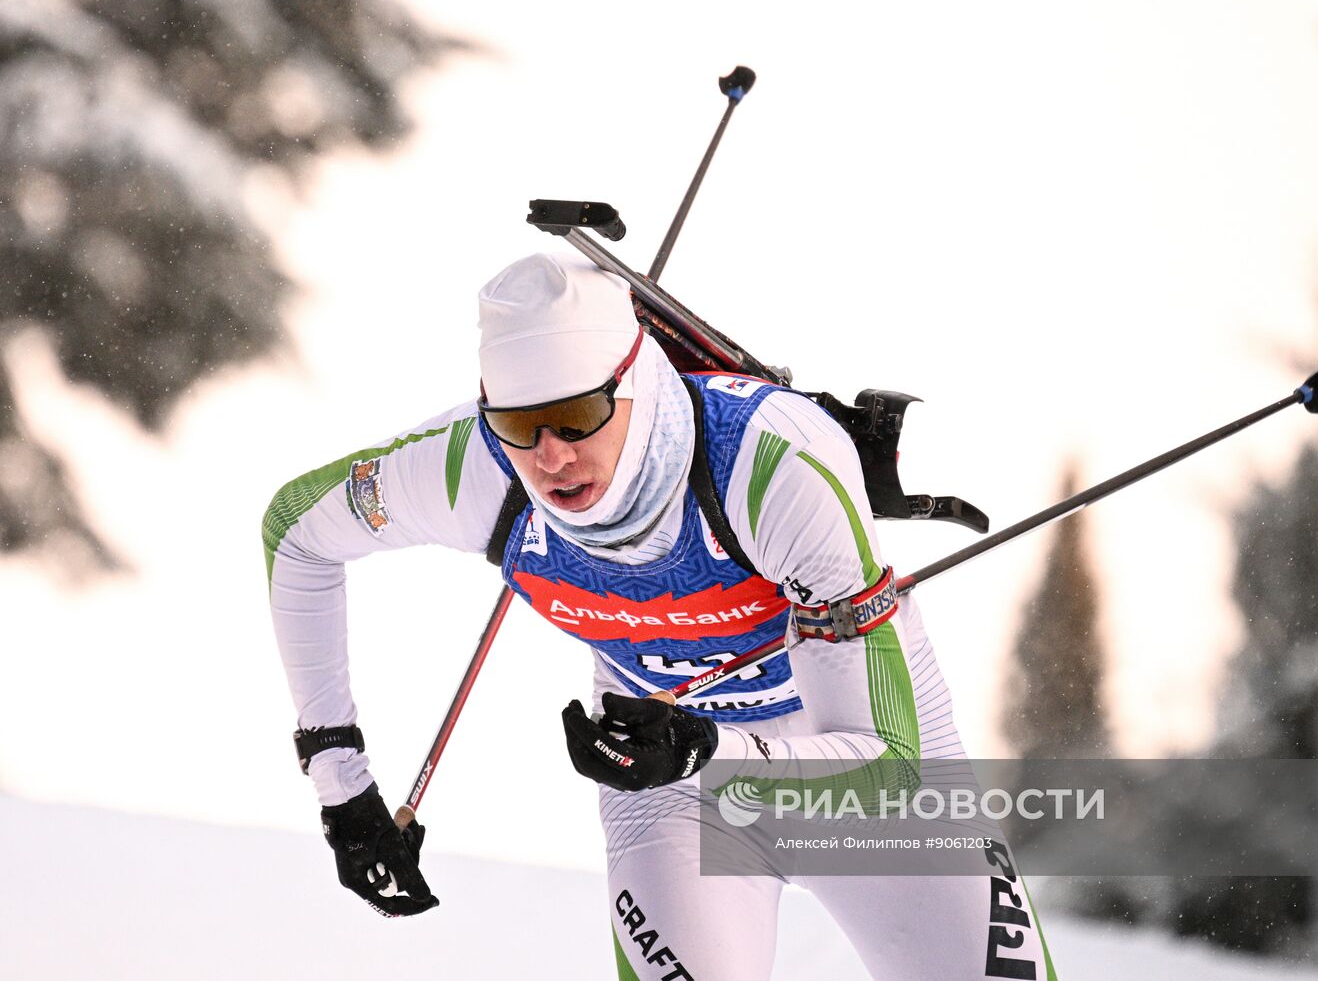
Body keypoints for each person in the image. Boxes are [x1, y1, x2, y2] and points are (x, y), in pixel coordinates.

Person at [264, 253, 1057, 980]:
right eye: (518, 425)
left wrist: (705, 749)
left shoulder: (772, 466)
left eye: (578, 414)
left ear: (636, 386)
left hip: (847, 765)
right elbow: (296, 532)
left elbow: (889, 771)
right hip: (670, 786)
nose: (550, 457)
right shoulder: (467, 470)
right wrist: (343, 790)